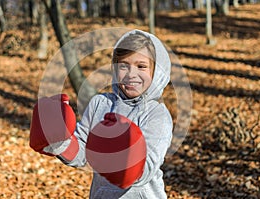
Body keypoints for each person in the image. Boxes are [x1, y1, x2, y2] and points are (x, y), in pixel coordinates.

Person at [30, 29, 173, 199]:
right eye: (123, 66)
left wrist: (125, 161)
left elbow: (148, 167)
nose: (131, 74)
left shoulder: (157, 115)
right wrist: (58, 142)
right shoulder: (100, 104)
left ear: (156, 72)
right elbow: (83, 153)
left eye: (141, 66)